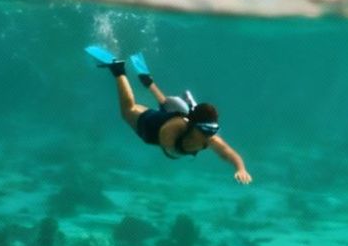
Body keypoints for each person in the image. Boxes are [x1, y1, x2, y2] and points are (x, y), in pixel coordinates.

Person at [85, 46, 251, 183]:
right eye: (206, 130)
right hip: (150, 125)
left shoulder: (207, 137)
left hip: (180, 114)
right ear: (194, 127)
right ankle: (118, 69)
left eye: (213, 130)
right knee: (128, 110)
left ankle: (147, 81)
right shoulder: (173, 129)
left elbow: (229, 153)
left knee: (168, 104)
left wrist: (240, 168)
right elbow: (169, 151)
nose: (210, 135)